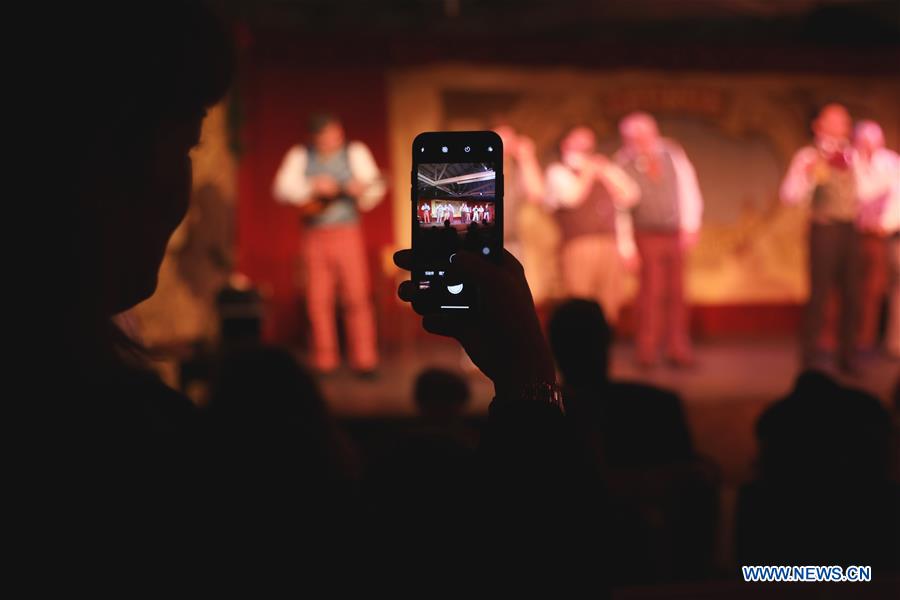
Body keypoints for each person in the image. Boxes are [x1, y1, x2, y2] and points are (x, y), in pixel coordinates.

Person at [273, 114, 385, 376]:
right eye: (326, 137)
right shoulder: (301, 155)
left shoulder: (355, 152)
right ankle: (325, 359)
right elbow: (281, 188)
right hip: (314, 235)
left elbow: (374, 187)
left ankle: (364, 359)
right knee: (317, 298)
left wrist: (362, 191)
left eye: (336, 134)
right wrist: (312, 185)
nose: (333, 140)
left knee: (357, 296)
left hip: (347, 231)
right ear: (314, 138)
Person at [615, 112, 703, 368]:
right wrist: (626, 247)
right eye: (633, 138)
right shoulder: (622, 163)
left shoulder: (672, 154)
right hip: (645, 234)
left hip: (674, 231)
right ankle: (647, 350)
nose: (640, 142)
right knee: (650, 293)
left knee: (677, 293)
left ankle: (678, 348)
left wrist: (690, 225)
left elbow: (688, 188)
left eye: (644, 136)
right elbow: (620, 210)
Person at [781, 104, 861, 373]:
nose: (842, 126)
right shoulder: (808, 155)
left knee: (852, 294)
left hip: (851, 228)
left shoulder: (855, 155)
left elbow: (868, 190)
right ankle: (810, 356)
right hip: (824, 228)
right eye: (836, 121)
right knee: (820, 293)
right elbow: (789, 195)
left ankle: (847, 356)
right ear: (819, 125)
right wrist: (808, 175)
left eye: (845, 121)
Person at [545, 125, 639, 323]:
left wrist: (605, 174)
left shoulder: (604, 169)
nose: (585, 147)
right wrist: (588, 173)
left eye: (588, 142)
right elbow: (572, 198)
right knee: (580, 302)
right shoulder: (558, 172)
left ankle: (603, 346)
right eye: (579, 141)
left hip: (609, 243)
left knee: (610, 303)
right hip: (579, 245)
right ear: (565, 144)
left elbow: (630, 196)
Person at [853, 120, 900, 357]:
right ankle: (855, 337)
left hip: (883, 235)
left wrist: (884, 225)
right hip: (854, 233)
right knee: (854, 287)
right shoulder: (852, 161)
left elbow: (896, 200)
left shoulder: (891, 163)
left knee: (880, 288)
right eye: (863, 141)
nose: (868, 146)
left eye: (872, 141)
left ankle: (878, 339)